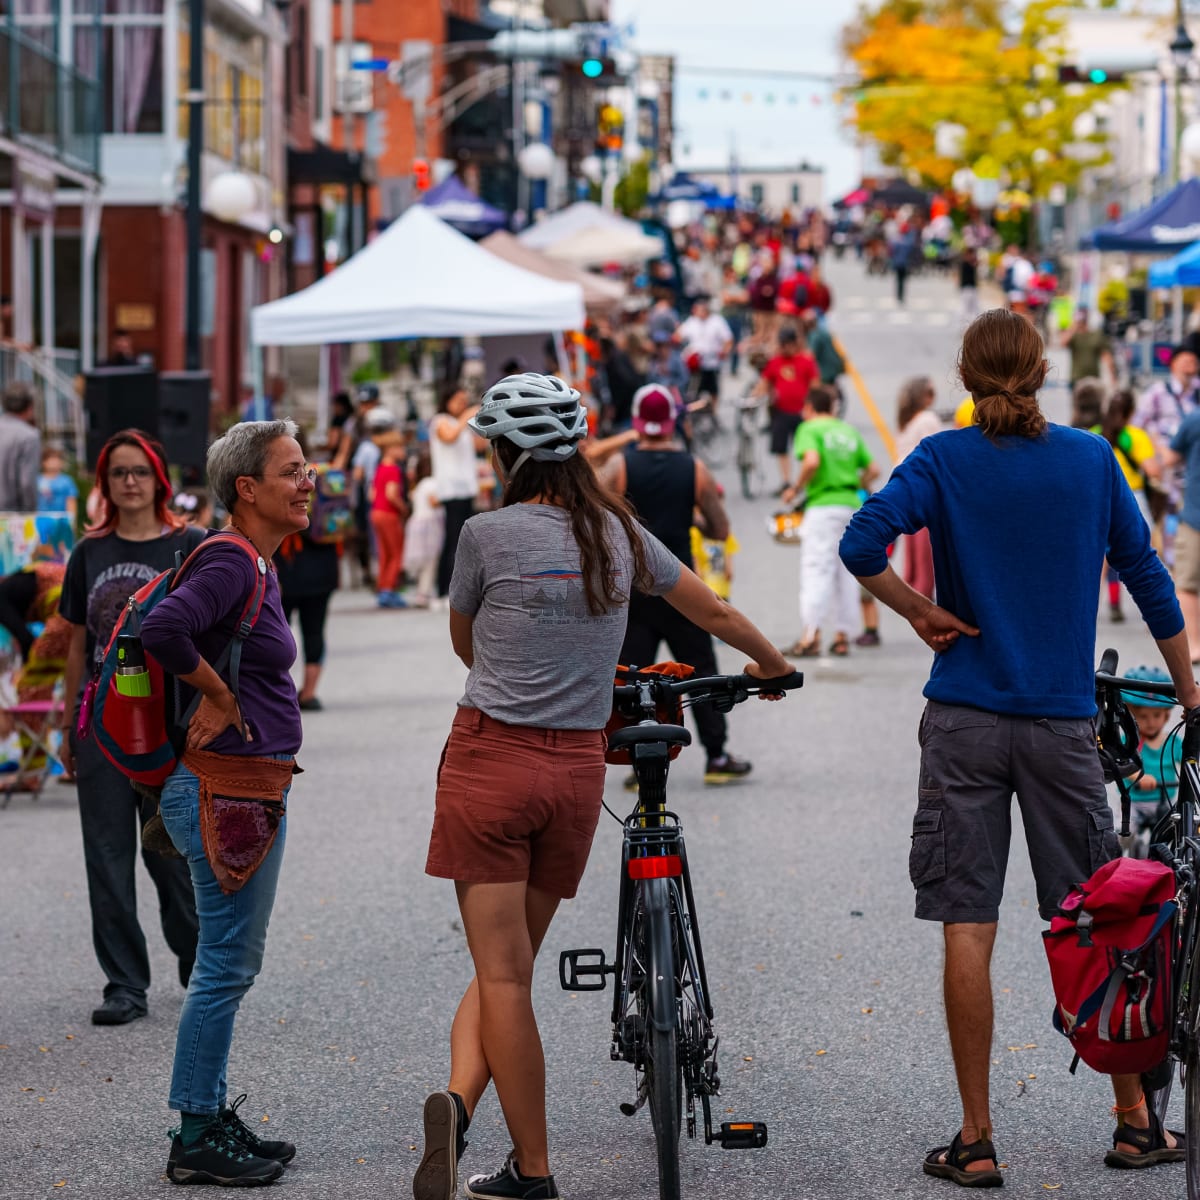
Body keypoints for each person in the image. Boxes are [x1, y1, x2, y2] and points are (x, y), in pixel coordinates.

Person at [839, 308, 1197, 1186]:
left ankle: (976, 1137)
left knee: (970, 920)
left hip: (964, 717)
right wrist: (1189, 690)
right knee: (1100, 916)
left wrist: (919, 611)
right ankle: (1132, 1120)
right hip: (1061, 726)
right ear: (1041, 373)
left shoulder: (942, 460)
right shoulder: (1089, 459)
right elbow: (1148, 576)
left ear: (966, 378)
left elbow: (860, 544)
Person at [414, 373, 791, 1200]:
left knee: (501, 974)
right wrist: (773, 665)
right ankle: (461, 1102)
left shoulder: (483, 534)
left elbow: (465, 645)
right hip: (576, 774)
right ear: (578, 445)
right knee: (510, 967)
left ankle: (533, 1169)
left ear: (504, 452)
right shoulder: (619, 535)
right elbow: (714, 612)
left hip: (489, 761)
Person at [142, 420, 309, 1187]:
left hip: (241, 786)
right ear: (248, 488)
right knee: (224, 966)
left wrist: (223, 685)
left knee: (228, 962)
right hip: (222, 787)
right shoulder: (232, 558)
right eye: (292, 470)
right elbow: (163, 627)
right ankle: (196, 1133)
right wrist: (215, 690)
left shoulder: (256, 564)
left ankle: (206, 1110)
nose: (308, 481)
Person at [58, 430, 203, 1025]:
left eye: (139, 471)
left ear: (159, 478)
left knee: (170, 855)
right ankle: (124, 983)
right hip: (101, 727)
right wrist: (71, 725)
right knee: (107, 856)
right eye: (118, 473)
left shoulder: (189, 544)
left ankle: (200, 968)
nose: (129, 482)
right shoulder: (87, 553)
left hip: (165, 727)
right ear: (105, 483)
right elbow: (75, 645)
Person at [601, 384, 754, 784]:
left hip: (634, 591)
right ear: (674, 422)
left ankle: (637, 762)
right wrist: (692, 518)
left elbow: (598, 521)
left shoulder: (620, 467)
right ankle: (717, 758)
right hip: (682, 590)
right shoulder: (695, 469)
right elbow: (720, 529)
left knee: (633, 677)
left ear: (637, 422)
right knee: (701, 672)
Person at [781, 385, 878, 657]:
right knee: (846, 573)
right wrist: (855, 485)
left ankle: (810, 636)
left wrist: (795, 489)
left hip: (822, 507)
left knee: (816, 569)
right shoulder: (847, 431)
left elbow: (811, 461)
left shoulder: (809, 429)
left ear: (810, 408)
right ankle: (842, 636)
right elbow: (873, 469)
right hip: (851, 507)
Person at [1094, 389, 1160, 622]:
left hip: (1100, 498)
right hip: (1132, 498)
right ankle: (1156, 611)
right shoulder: (1136, 436)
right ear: (1132, 412)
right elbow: (1153, 470)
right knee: (1143, 557)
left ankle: (1093, 607)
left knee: (1099, 559)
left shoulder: (1095, 435)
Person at [275, 516, 339, 712]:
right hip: (323, 570)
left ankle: (276, 692)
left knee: (276, 633)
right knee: (315, 631)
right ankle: (309, 694)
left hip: (286, 567)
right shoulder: (332, 488)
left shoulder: (285, 487)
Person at [431, 385, 482, 607]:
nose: (462, 404)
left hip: (466, 489)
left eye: (464, 401)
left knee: (465, 541)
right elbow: (448, 437)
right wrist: (466, 416)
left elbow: (479, 444)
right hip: (451, 490)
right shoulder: (440, 420)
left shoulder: (462, 425)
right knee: (452, 541)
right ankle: (442, 590)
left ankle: (462, 589)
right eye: (458, 400)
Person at [752, 325, 817, 494]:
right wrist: (756, 395)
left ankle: (803, 482)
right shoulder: (775, 362)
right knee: (781, 449)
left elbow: (815, 385)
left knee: (805, 449)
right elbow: (765, 382)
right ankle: (786, 481)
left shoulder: (806, 361)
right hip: (781, 411)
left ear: (793, 344)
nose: (782, 348)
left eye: (785, 344)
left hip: (803, 412)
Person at [895, 376, 943, 602]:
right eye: (931, 392)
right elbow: (933, 456)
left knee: (912, 564)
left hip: (903, 493)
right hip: (923, 492)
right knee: (926, 568)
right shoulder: (927, 419)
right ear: (923, 396)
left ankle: (910, 604)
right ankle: (925, 614)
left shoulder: (906, 423)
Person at [1120, 666, 1179, 832]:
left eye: (1156, 715)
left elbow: (1189, 762)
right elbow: (1122, 765)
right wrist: (1138, 776)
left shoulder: (1174, 741)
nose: (1151, 722)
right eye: (1143, 716)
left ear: (1166, 715)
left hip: (1166, 801)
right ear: (1131, 716)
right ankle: (1121, 854)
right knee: (1124, 831)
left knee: (1177, 831)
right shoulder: (1129, 741)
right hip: (1135, 802)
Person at [1164, 397, 1200, 659]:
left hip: (1195, 516)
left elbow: (1169, 458)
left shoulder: (1194, 419)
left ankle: (1195, 646)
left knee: (1187, 584)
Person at [370, 430, 410, 608]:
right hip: (389, 514)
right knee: (396, 553)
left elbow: (372, 495)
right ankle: (389, 590)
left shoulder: (379, 468)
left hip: (376, 513)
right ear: (391, 449)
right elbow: (391, 494)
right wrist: (404, 508)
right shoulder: (394, 469)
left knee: (384, 553)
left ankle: (382, 587)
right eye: (400, 447)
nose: (403, 451)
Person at [402, 452, 444, 608]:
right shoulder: (432, 483)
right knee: (431, 560)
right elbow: (433, 502)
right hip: (429, 525)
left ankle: (421, 590)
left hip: (416, 524)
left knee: (421, 560)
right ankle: (425, 592)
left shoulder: (419, 485)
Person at [677, 296, 733, 407]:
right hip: (695, 363)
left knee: (713, 389)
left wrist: (725, 351)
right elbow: (678, 336)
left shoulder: (717, 321)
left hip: (712, 362)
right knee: (692, 389)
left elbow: (728, 340)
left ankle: (713, 410)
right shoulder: (691, 321)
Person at [0, 382, 40, 512]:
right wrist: (30, 511)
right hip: (10, 516)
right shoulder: (29, 436)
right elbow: (27, 482)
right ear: (30, 407)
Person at [1063, 307, 1115, 386]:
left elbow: (1106, 355)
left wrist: (1112, 376)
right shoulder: (1074, 336)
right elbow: (1063, 343)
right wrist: (1073, 326)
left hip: (1093, 379)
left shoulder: (1096, 334)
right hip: (1076, 378)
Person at [37, 446, 78, 523]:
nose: (55, 462)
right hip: (40, 521)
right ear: (43, 462)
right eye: (51, 459)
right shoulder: (37, 480)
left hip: (61, 522)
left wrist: (72, 522)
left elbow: (71, 502)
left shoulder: (67, 481)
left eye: (57, 459)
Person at [958, 248, 979, 323]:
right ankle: (964, 324)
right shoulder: (966, 263)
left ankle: (970, 324)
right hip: (967, 288)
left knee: (973, 308)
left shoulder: (966, 262)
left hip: (971, 288)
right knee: (965, 308)